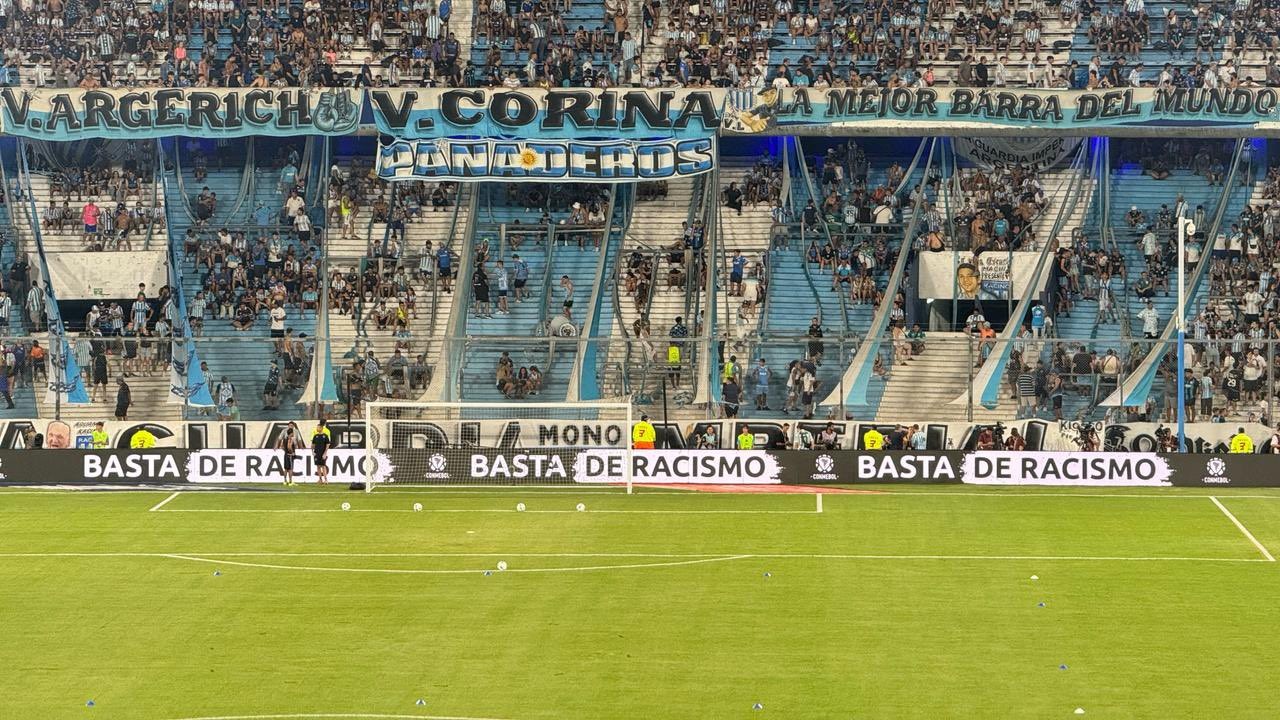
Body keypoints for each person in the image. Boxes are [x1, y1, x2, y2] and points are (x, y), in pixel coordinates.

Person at [312, 419, 333, 484]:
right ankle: (320, 479)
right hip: (316, 453)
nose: (317, 428)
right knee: (318, 466)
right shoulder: (315, 436)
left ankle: (326, 479)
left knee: (323, 466)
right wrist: (312, 451)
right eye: (317, 427)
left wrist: (325, 453)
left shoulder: (325, 436)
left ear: (321, 428)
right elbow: (312, 445)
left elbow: (327, 444)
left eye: (318, 427)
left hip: (322, 453)